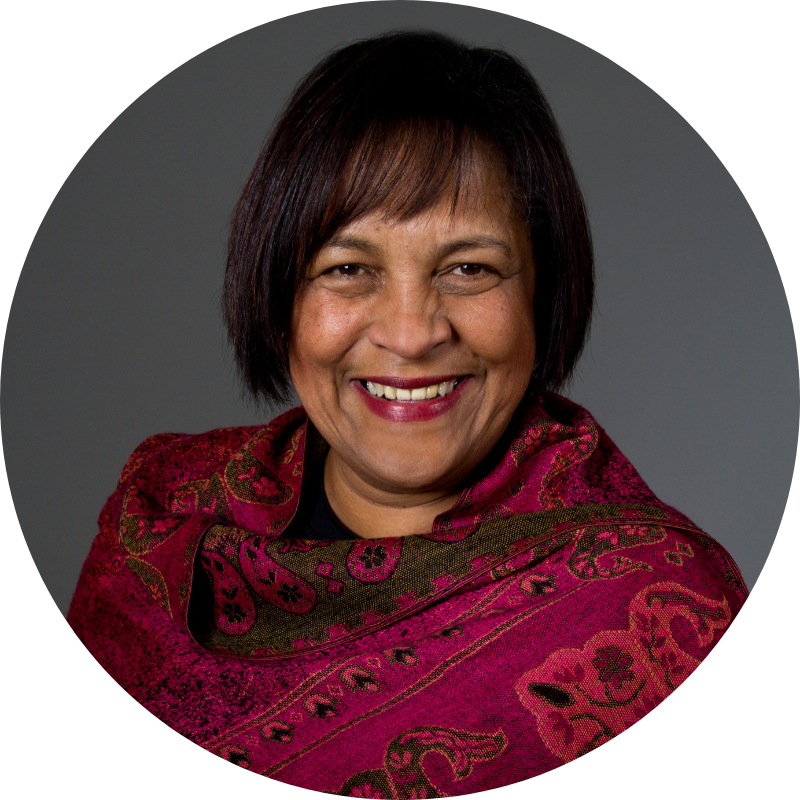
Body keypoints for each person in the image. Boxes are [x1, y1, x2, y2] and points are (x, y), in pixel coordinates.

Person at [68, 30, 747, 790]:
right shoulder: (159, 521)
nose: (411, 334)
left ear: (542, 293)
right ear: (279, 296)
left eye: (469, 268)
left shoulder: (661, 609)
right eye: (348, 268)